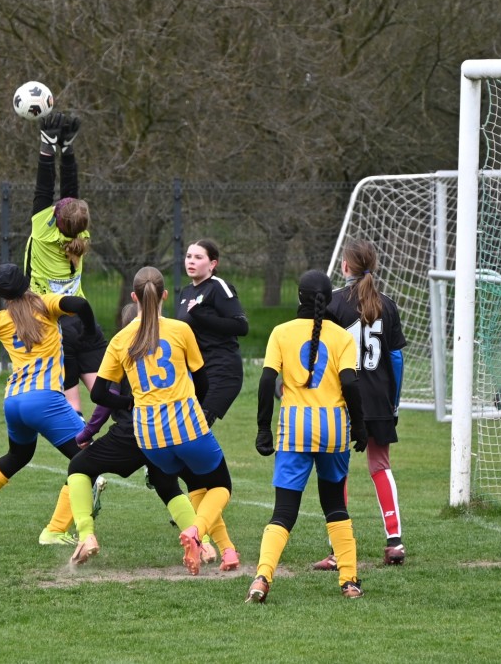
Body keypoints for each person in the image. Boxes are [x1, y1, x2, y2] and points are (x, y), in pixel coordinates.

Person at [75, 266, 233, 575]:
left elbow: (98, 394)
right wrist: (195, 408)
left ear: (134, 297)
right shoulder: (181, 329)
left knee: (164, 479)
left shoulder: (120, 339)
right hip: (186, 426)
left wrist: (129, 402)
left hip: (147, 435)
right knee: (217, 484)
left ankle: (85, 533)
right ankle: (200, 536)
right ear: (164, 295)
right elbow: (203, 381)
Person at [0, 253, 98, 539]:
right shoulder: (46, 304)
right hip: (44, 399)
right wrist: (90, 333)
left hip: (14, 401)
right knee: (90, 460)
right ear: (26, 283)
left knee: (18, 456)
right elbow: (80, 304)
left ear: (2, 294)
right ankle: (55, 531)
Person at [247, 270, 369, 603]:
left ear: (298, 297)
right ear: (329, 300)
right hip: (334, 431)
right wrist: (360, 426)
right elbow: (350, 384)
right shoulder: (342, 337)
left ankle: (262, 577)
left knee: (284, 511)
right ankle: (349, 581)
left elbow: (266, 382)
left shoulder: (281, 332)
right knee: (335, 505)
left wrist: (263, 427)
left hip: (294, 430)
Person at [312, 239, 407, 570]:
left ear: (345, 266)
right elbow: (396, 359)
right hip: (379, 398)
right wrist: (393, 402)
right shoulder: (388, 304)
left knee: (336, 470)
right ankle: (394, 542)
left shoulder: (333, 303)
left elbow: (322, 355)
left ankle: (339, 550)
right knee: (380, 466)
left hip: (341, 398)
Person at [23, 111, 108, 417]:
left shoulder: (43, 232)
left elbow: (44, 187)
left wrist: (47, 145)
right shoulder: (81, 235)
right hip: (84, 321)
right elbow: (70, 195)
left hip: (53, 324)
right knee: (106, 395)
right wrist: (67, 148)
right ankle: (130, 436)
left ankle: (82, 443)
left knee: (72, 405)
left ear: (56, 219)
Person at [171, 238, 248, 567]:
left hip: (223, 374)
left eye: (198, 257)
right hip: (196, 377)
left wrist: (202, 316)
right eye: (188, 256)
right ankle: (222, 545)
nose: (191, 261)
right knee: (191, 452)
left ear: (212, 263)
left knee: (193, 435)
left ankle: (200, 524)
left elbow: (241, 326)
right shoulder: (185, 294)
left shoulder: (218, 288)